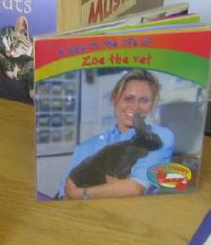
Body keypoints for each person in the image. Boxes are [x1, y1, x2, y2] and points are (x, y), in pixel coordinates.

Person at [60, 69, 174, 199]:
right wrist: (116, 186)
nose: (135, 106)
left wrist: (81, 193)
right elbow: (65, 193)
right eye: (128, 98)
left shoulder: (159, 137)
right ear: (114, 98)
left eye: (144, 100)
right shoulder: (86, 147)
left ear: (152, 104)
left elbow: (135, 188)